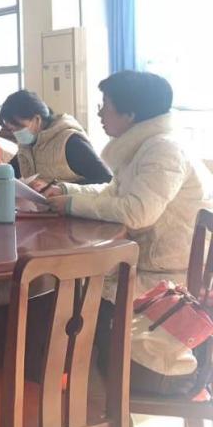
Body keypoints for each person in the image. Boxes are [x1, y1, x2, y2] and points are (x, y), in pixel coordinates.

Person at [47, 71, 213, 292]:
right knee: (74, 288)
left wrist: (71, 204)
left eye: (105, 105)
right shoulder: (146, 146)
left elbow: (137, 212)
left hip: (168, 281)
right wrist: (66, 190)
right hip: (148, 263)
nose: (99, 113)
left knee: (73, 292)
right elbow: (114, 191)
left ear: (130, 114)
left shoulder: (164, 151)